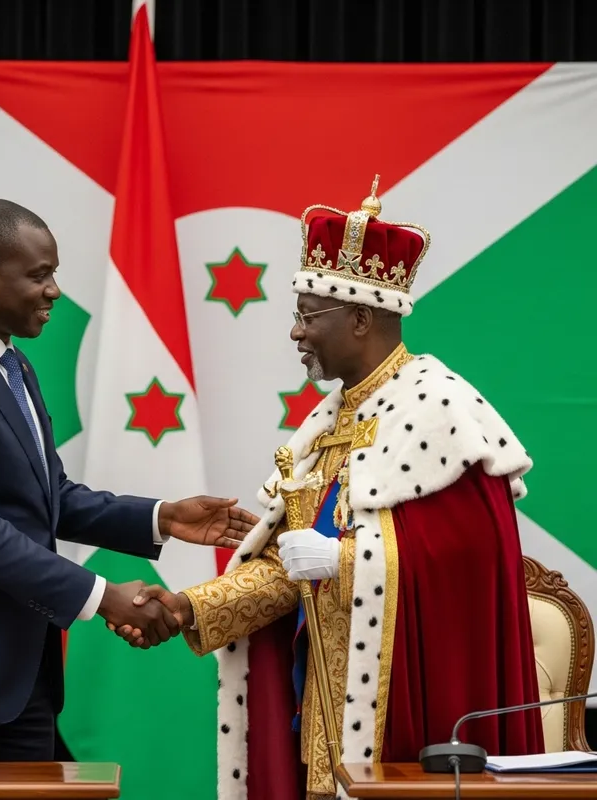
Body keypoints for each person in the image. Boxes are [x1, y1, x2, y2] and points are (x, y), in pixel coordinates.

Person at [116, 181, 544, 799]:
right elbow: (288, 570)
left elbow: (473, 561)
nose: (296, 333)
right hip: (318, 719)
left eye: (307, 315)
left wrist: (346, 561)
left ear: (362, 318)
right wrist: (185, 608)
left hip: (409, 721)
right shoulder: (327, 424)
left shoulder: (443, 409)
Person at [0, 199, 257, 763]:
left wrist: (162, 517)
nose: (55, 290)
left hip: (20, 680)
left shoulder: (12, 364)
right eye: (39, 275)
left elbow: (47, 498)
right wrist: (104, 597)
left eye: (53, 273)